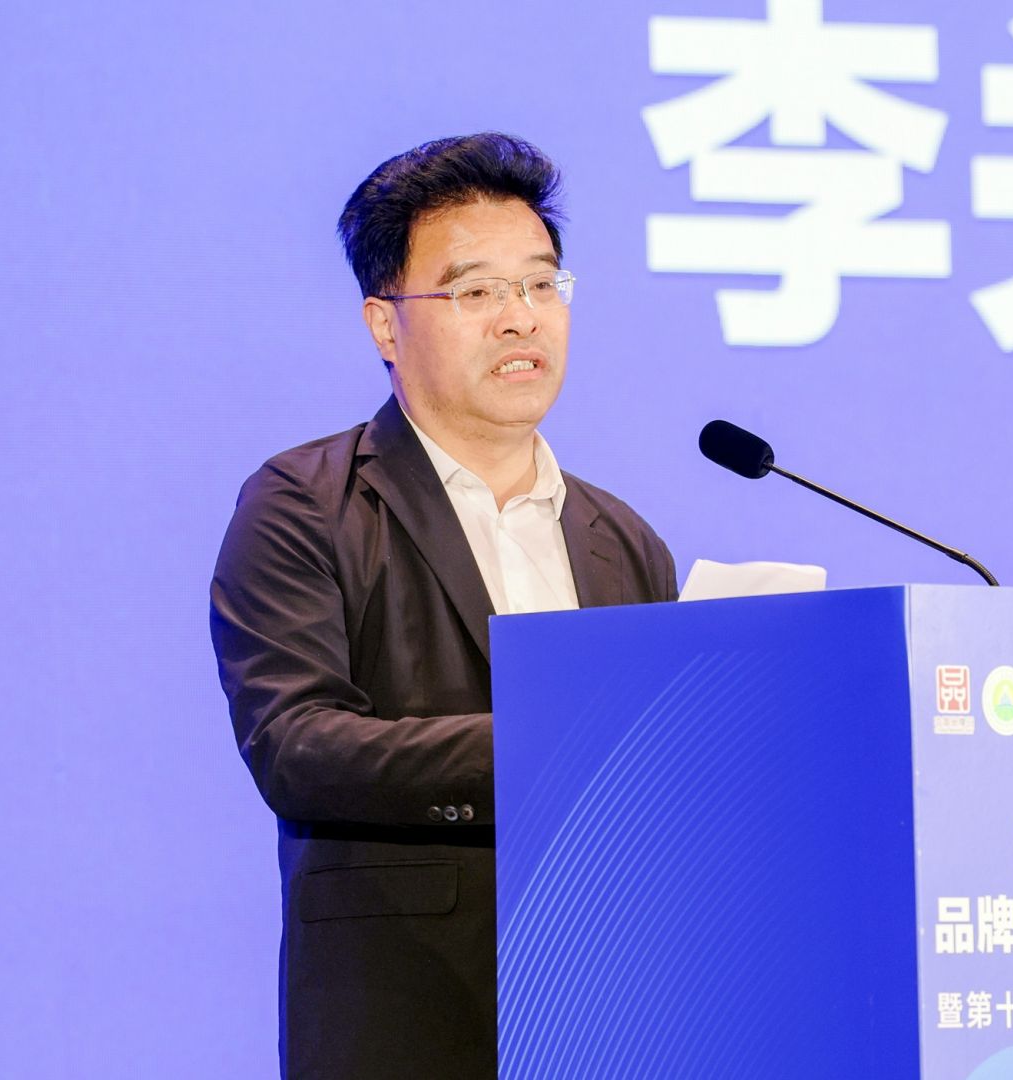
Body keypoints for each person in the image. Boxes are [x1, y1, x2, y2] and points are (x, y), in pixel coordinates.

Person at [209, 132, 678, 1078]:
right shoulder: (306, 504)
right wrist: (549, 745)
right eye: (476, 292)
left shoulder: (624, 540)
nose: (520, 319)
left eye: (541, 285)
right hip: (410, 1020)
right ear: (385, 326)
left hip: (614, 1019)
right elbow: (296, 747)